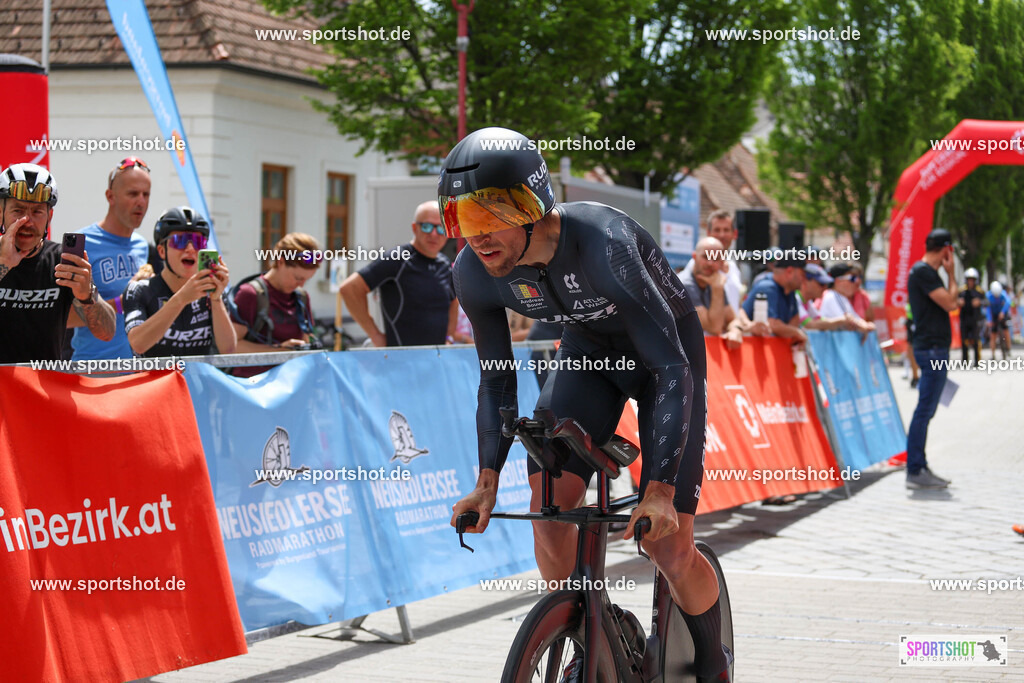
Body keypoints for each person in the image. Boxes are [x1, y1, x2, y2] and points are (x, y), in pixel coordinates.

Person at [442, 127, 730, 682]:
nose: (475, 238)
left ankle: (714, 663)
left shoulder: (605, 245)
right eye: (462, 220)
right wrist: (487, 479)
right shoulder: (474, 271)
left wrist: (661, 491)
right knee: (549, 511)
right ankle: (584, 629)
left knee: (670, 550)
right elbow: (496, 379)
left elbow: (671, 370)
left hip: (665, 360)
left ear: (532, 206)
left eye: (487, 219)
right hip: (587, 357)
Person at [0, 163, 116, 363]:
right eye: (18, 210)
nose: (27, 221)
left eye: (37, 212)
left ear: (49, 217)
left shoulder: (62, 261)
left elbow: (107, 332)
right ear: (0, 211)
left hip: (45, 389)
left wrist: (87, 295)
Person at [340, 201, 458, 347]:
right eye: (427, 227)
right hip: (401, 360)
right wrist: (375, 334)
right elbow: (350, 289)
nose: (434, 234)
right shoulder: (397, 258)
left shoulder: (445, 263)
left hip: (436, 360)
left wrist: (449, 337)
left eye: (441, 228)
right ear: (415, 228)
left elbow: (454, 300)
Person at [123, 206, 236, 357]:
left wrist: (216, 301)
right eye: (180, 241)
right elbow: (138, 344)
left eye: (198, 242)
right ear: (162, 251)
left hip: (196, 381)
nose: (190, 249)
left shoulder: (212, 292)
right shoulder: (139, 290)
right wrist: (181, 299)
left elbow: (228, 350)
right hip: (155, 381)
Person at [71, 157, 153, 361]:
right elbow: (63, 318)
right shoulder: (82, 243)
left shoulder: (141, 245)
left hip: (135, 371)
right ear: (110, 196)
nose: (141, 202)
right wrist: (122, 302)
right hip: (93, 371)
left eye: (146, 194)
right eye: (133, 194)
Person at [228, 232, 323, 377]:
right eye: (298, 278)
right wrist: (280, 351)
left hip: (290, 385)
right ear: (280, 261)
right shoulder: (250, 294)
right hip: (252, 388)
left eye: (306, 280)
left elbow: (305, 341)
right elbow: (232, 347)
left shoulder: (301, 298)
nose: (301, 284)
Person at [905, 228, 957, 490]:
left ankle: (919, 466)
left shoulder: (927, 273)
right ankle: (915, 469)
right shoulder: (924, 272)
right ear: (946, 249)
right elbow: (951, 303)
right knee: (924, 410)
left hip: (935, 348)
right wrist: (952, 275)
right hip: (932, 348)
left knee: (927, 410)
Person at [679, 236, 761, 346]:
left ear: (722, 262)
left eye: (716, 258)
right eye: (705, 257)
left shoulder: (713, 280)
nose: (710, 263)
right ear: (694, 256)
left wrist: (735, 330)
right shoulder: (684, 284)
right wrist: (717, 289)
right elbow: (714, 328)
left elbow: (733, 319)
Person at [678, 209, 743, 312]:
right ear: (708, 233)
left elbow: (736, 307)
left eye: (726, 230)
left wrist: (746, 324)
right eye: (717, 230)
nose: (722, 235)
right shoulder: (696, 266)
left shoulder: (734, 267)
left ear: (734, 234)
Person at [741, 253, 810, 343]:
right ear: (789, 272)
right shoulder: (767, 287)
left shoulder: (789, 290)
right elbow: (773, 324)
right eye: (802, 274)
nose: (804, 279)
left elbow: (795, 320)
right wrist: (796, 332)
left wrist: (791, 332)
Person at [817, 263, 876, 333]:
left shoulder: (842, 298)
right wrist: (863, 326)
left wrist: (866, 325)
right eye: (852, 278)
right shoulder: (831, 296)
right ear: (838, 280)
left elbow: (857, 320)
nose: (858, 281)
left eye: (859, 277)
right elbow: (848, 322)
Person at [958, 267, 985, 365]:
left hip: (975, 318)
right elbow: (955, 300)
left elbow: (986, 302)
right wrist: (959, 302)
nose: (970, 282)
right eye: (969, 280)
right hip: (964, 318)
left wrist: (980, 302)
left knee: (975, 339)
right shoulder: (961, 291)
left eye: (972, 280)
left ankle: (977, 360)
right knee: (964, 339)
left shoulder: (979, 291)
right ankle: (965, 360)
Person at [985, 281, 1012, 360]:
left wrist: (1003, 312)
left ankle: (1008, 348)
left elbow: (1008, 302)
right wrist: (989, 320)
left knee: (1006, 331)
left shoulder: (1003, 293)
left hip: (1002, 313)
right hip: (993, 314)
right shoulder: (988, 296)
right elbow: (988, 309)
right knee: (993, 335)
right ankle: (992, 354)